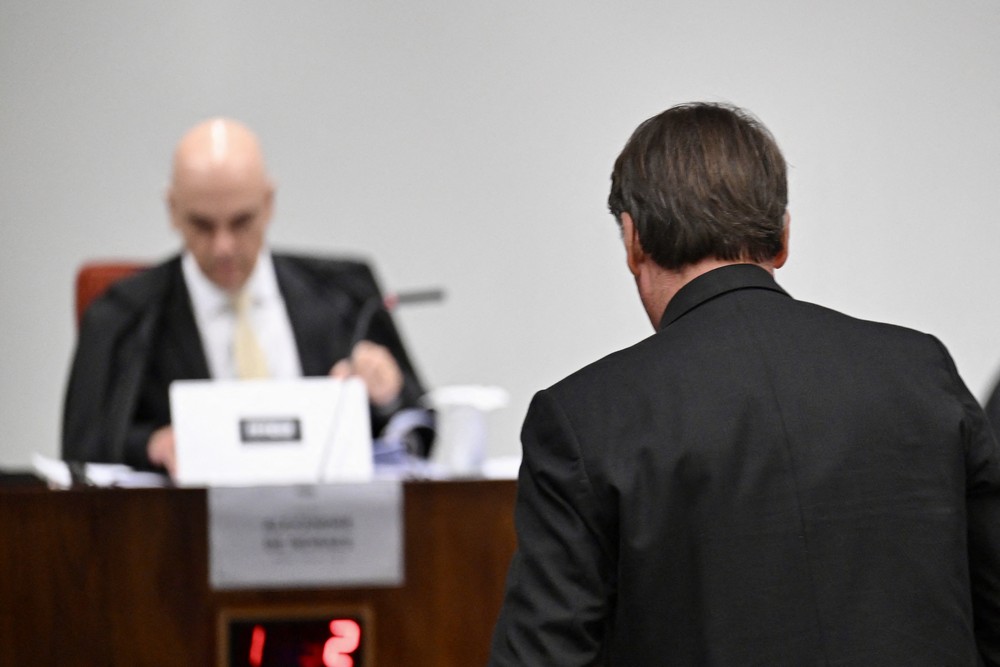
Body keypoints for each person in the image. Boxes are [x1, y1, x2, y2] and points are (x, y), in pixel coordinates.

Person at [489, 102, 1000, 665]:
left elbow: (543, 655)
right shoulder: (920, 369)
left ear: (633, 240)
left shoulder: (585, 417)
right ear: (782, 238)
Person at [62, 118, 431, 477]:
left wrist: (389, 394)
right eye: (202, 225)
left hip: (328, 514)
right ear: (173, 210)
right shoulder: (123, 316)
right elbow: (82, 447)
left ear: (268, 204)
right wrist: (150, 445)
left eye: (241, 222)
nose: (223, 247)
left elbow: (423, 430)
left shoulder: (346, 296)